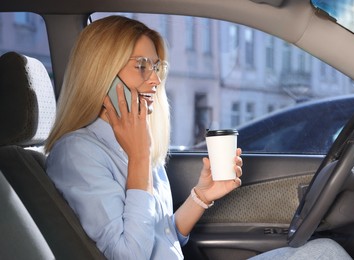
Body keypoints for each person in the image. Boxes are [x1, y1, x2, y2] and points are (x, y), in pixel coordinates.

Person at [44, 15, 243, 259]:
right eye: (141, 66)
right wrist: (140, 156)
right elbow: (130, 254)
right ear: (101, 74)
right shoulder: (76, 153)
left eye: (156, 67)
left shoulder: (137, 141)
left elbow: (161, 238)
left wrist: (202, 196)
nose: (156, 80)